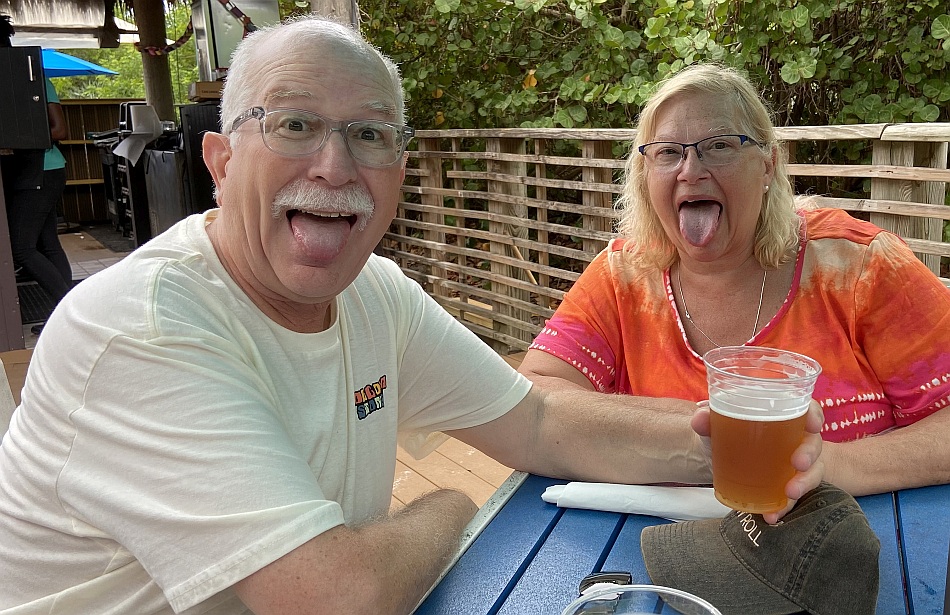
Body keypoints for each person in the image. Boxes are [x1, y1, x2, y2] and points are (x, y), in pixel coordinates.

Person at [0, 20, 822, 615]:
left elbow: (536, 421)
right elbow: (338, 596)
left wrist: (720, 441)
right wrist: (449, 505)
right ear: (220, 161)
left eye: (370, 135)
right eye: (295, 125)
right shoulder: (143, 326)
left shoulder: (374, 294)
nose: (335, 165)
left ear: (398, 168)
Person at [519, 62, 950, 498]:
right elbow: (535, 399)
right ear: (645, 175)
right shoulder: (621, 276)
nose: (690, 170)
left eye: (719, 145)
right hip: (651, 535)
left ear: (767, 165)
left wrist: (832, 466)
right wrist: (688, 436)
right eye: (668, 152)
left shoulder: (860, 266)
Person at [0, 15, 74, 336]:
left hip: (43, 170)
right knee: (47, 244)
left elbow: (60, 130)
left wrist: (17, 140)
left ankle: (70, 312)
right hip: (37, 172)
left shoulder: (32, 80)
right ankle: (68, 315)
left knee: (22, 248)